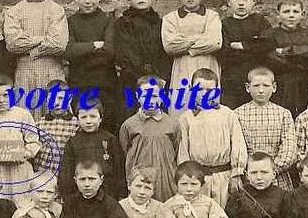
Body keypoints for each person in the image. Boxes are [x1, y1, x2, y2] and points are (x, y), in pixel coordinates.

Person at [176, 68, 248, 210]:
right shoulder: (186, 118)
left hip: (223, 176)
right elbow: (183, 151)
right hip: (198, 178)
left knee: (223, 213)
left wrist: (236, 173)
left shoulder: (228, 114)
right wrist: (187, 177)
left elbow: (238, 144)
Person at [65, 0, 122, 132]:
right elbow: (69, 51)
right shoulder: (71, 22)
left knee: (106, 128)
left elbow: (110, 51)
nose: (87, 1)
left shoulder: (108, 20)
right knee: (83, 126)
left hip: (105, 84)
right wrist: (95, 45)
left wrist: (82, 52)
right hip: (79, 83)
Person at [3, 0, 68, 92]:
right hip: (25, 73)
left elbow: (58, 44)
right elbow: (13, 44)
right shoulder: (13, 12)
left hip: (52, 72)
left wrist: (32, 51)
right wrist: (43, 39)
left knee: (54, 109)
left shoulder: (57, 10)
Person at [118, 75, 182, 203]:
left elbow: (176, 149)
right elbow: (125, 151)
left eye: (154, 96)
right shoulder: (129, 125)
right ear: (137, 97)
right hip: (140, 181)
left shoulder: (172, 124)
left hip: (165, 180)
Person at [234, 67, 297, 190]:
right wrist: (250, 171)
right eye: (256, 86)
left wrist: (271, 171)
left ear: (274, 87)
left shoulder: (283, 114)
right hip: (250, 177)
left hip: (277, 177)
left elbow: (290, 148)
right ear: (248, 87)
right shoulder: (237, 114)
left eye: (266, 86)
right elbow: (236, 147)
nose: (261, 90)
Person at [161, 0, 222, 92]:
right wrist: (199, 38)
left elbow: (215, 43)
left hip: (207, 66)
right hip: (181, 69)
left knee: (208, 106)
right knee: (181, 105)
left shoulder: (212, 16)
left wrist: (185, 44)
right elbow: (170, 46)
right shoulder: (170, 18)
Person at [113, 0, 172, 103]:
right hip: (131, 80)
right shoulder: (123, 23)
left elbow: (165, 52)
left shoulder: (160, 23)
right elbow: (126, 53)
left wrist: (161, 78)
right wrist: (140, 78)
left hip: (158, 82)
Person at [0, 74, 41, 202]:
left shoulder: (22, 114)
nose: (2, 100)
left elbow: (33, 140)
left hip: (19, 169)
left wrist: (24, 153)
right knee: (0, 202)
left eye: (6, 95)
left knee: (21, 202)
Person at [217, 0, 272, 110]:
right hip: (232, 79)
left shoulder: (260, 22)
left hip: (256, 79)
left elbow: (267, 44)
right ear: (229, 1)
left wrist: (243, 45)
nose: (241, 3)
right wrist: (254, 47)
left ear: (253, 1)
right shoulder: (224, 24)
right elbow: (224, 52)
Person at [265, 0, 308, 117]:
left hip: (302, 84)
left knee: (302, 115)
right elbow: (269, 58)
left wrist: (285, 51)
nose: (291, 15)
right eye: (286, 11)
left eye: (295, 11)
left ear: (302, 14)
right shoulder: (270, 35)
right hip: (279, 84)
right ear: (278, 14)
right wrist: (297, 61)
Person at [60, 99, 125, 198]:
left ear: (100, 118)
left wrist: (120, 194)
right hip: (80, 195)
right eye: (84, 117)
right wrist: (68, 196)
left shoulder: (110, 140)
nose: (88, 121)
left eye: (93, 116)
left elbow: (118, 170)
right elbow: (66, 172)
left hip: (107, 194)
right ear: (77, 120)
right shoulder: (73, 142)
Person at [33, 78, 79, 175]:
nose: (56, 103)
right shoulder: (39, 124)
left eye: (61, 98)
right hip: (42, 173)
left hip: (67, 174)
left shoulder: (76, 124)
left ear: (69, 99)